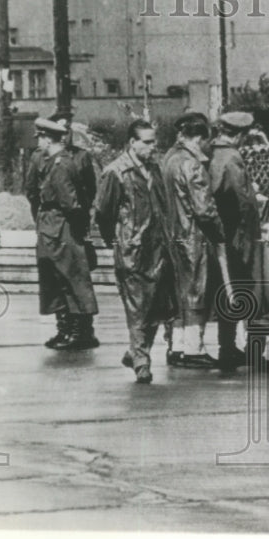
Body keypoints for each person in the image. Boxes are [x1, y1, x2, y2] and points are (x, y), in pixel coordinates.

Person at [95, 119, 176, 384]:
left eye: (155, 141)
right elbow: (103, 212)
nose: (154, 147)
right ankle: (142, 361)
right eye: (148, 142)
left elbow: (164, 206)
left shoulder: (155, 169)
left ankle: (135, 352)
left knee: (156, 306)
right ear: (132, 142)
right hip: (132, 249)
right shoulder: (116, 172)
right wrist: (117, 241)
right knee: (138, 305)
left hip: (158, 247)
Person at [162, 112, 224, 366]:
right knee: (197, 292)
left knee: (177, 293)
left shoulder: (168, 159)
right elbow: (204, 209)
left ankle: (176, 347)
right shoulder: (193, 164)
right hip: (193, 236)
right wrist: (219, 230)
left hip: (171, 234)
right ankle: (194, 349)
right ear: (198, 138)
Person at [34, 118, 100, 350]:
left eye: (41, 138)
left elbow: (71, 202)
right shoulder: (58, 162)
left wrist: (80, 231)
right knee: (61, 279)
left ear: (47, 139)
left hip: (61, 228)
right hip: (55, 226)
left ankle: (79, 332)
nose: (39, 143)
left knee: (71, 278)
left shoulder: (60, 164)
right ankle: (69, 330)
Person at [208, 111, 263, 373]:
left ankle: (227, 347)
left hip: (223, 232)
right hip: (238, 234)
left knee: (227, 289)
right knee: (247, 288)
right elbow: (243, 202)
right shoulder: (231, 158)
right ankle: (236, 350)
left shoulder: (214, 154)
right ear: (240, 135)